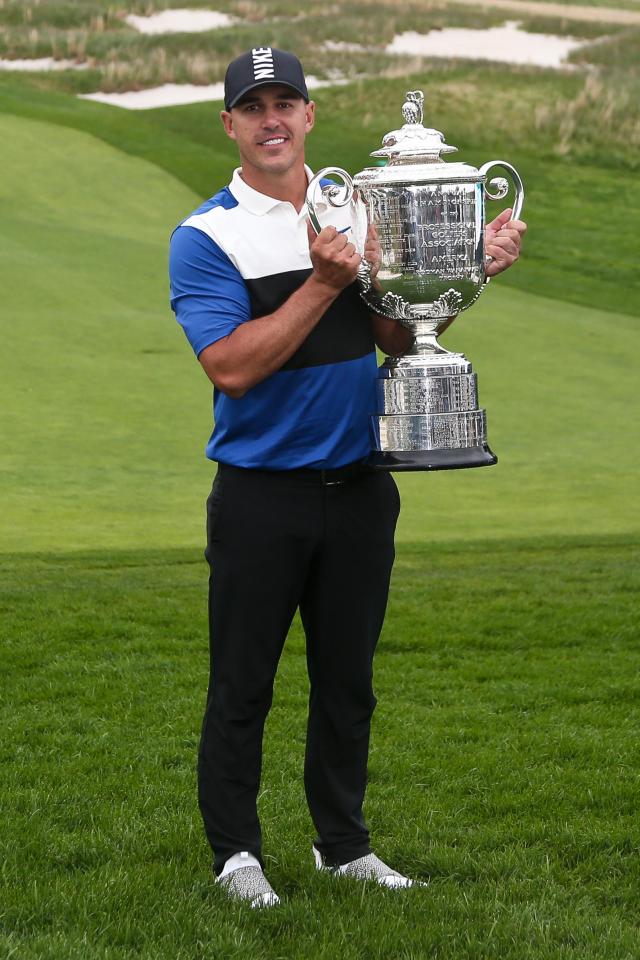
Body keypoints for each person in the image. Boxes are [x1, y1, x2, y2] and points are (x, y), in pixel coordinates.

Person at [169, 47, 526, 909]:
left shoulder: (359, 214)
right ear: (230, 124)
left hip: (362, 484)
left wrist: (461, 272)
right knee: (243, 684)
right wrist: (324, 283)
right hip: (263, 494)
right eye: (253, 107)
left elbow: (397, 339)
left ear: (309, 116)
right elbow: (231, 368)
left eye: (286, 101)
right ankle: (236, 856)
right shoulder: (206, 235)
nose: (272, 120)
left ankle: (343, 846)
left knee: (347, 681)